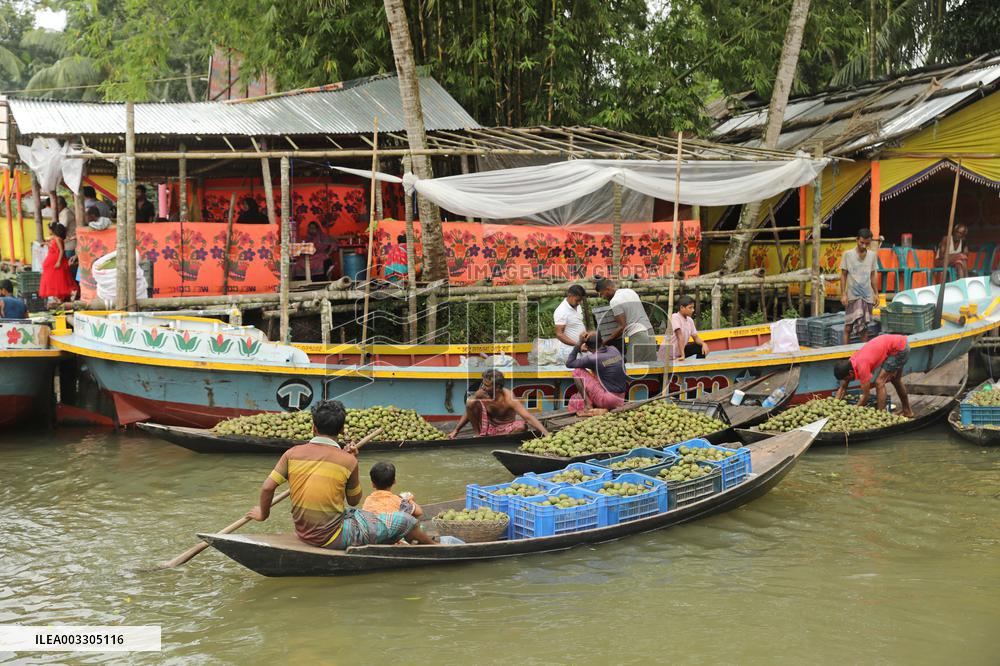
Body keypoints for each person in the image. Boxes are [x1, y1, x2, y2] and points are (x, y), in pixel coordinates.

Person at [246, 400, 435, 548]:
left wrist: (263, 514)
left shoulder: (292, 454)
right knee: (405, 520)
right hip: (331, 536)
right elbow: (353, 500)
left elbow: (267, 487)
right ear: (342, 429)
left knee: (358, 515)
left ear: (314, 428)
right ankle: (434, 546)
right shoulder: (348, 461)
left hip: (303, 531)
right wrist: (353, 462)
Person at [451, 370, 551, 438]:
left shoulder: (508, 396)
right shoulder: (481, 393)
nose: (483, 387)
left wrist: (546, 434)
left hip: (506, 429)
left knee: (521, 427)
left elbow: (527, 417)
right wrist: (456, 430)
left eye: (487, 385)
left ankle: (498, 438)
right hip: (487, 428)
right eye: (483, 384)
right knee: (471, 401)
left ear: (497, 387)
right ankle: (478, 435)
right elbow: (469, 410)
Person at [833, 334, 914, 417]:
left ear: (850, 373)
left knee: (879, 382)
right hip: (899, 343)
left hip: (899, 349)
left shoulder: (862, 367)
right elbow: (843, 387)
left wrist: (852, 413)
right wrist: (834, 406)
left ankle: (881, 416)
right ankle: (907, 411)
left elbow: (866, 396)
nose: (848, 381)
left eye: (847, 378)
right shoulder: (850, 363)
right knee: (896, 380)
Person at [595, 278, 657, 363]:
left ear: (608, 289)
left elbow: (622, 327)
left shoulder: (614, 301)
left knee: (631, 368)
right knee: (650, 365)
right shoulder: (630, 291)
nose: (603, 297)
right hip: (650, 332)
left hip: (638, 335)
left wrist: (603, 343)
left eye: (602, 294)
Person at [566, 331, 627, 413]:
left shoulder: (593, 358)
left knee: (577, 371)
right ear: (602, 341)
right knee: (597, 373)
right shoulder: (613, 349)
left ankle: (588, 404)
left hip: (608, 400)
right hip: (621, 398)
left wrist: (579, 343)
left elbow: (569, 363)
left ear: (587, 347)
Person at [840, 228, 879, 345]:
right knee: (848, 327)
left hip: (867, 296)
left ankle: (863, 357)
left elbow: (872, 276)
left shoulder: (872, 256)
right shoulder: (847, 255)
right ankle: (844, 357)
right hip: (853, 295)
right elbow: (843, 275)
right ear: (857, 240)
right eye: (861, 242)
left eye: (867, 243)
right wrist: (843, 294)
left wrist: (876, 294)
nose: (864, 246)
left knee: (864, 329)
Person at [39, 221, 77, 302]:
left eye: (49, 229)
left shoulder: (57, 239)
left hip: (56, 261)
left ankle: (60, 296)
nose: (48, 231)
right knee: (56, 280)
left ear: (53, 230)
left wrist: (59, 262)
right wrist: (46, 243)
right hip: (53, 262)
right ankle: (59, 297)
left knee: (58, 280)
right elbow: (54, 246)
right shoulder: (55, 238)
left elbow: (61, 250)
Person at [669, 295, 709, 361]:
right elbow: (679, 336)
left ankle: (699, 368)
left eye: (693, 308)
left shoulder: (690, 320)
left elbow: (695, 337)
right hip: (670, 352)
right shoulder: (675, 317)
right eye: (690, 308)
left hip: (679, 351)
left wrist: (703, 344)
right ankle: (680, 356)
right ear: (682, 308)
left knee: (700, 347)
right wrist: (683, 355)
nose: (693, 310)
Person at [553, 284, 587, 355]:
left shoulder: (577, 306)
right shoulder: (561, 311)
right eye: (577, 300)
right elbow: (559, 334)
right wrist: (578, 345)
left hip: (582, 347)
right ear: (569, 296)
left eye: (580, 300)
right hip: (571, 350)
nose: (579, 303)